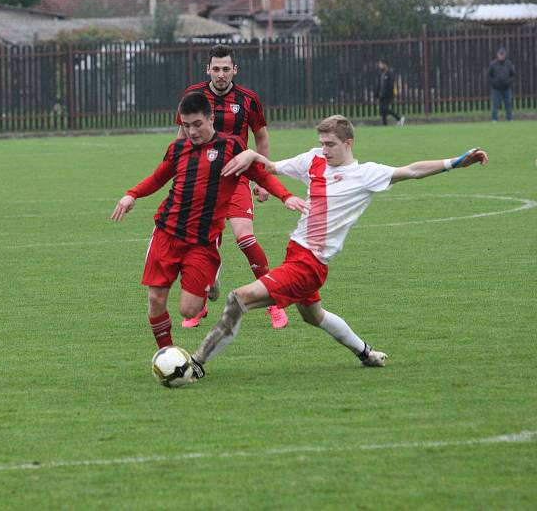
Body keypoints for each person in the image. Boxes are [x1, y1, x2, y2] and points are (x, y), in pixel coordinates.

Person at [187, 115, 488, 380]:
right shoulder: (313, 160)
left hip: (309, 264)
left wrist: (456, 162)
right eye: (322, 143)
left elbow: (412, 170)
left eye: (331, 144)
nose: (325, 150)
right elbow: (270, 167)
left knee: (239, 299)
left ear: (348, 143)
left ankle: (196, 364)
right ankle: (366, 353)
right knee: (312, 315)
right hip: (295, 253)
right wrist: (251, 153)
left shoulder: (366, 174)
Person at [111, 93, 307, 351]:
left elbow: (260, 175)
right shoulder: (177, 149)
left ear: (211, 118)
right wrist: (131, 194)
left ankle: (209, 281)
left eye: (197, 124)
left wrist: (286, 196)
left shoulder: (231, 147)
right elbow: (158, 178)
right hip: (167, 233)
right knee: (156, 299)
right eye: (186, 125)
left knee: (187, 310)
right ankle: (167, 355)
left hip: (202, 242)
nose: (191, 131)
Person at [176, 44, 289, 329]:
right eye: (216, 68)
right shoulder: (194, 95)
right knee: (196, 245)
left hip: (236, 177)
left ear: (235, 70)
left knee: (245, 239)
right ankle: (199, 306)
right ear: (208, 69)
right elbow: (181, 137)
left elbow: (261, 137)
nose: (221, 74)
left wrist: (261, 177)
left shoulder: (248, 99)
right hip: (201, 180)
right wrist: (181, 175)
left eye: (227, 69)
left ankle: (274, 301)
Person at [489, 46, 515, 122]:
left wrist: (509, 82)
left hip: (507, 88)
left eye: (503, 54)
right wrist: (493, 83)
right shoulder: (493, 64)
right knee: (495, 104)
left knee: (508, 103)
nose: (501, 55)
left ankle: (509, 118)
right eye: (500, 54)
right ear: (497, 54)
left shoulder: (509, 64)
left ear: (505, 55)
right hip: (496, 88)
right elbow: (489, 75)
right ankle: (494, 119)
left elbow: (512, 74)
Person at [375, 59, 404, 126]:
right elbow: (379, 85)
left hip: (388, 95)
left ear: (385, 64)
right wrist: (377, 94)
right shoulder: (381, 74)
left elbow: (391, 85)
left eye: (381, 64)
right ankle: (385, 124)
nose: (380, 66)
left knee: (385, 108)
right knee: (382, 111)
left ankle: (399, 118)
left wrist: (388, 94)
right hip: (381, 95)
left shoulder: (390, 73)